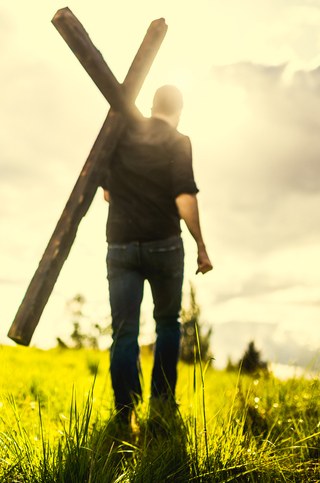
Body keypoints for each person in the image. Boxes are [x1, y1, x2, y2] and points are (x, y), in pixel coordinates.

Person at [101, 85, 213, 423]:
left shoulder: (119, 136)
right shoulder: (178, 141)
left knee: (124, 331)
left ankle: (125, 412)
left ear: (151, 106)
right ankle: (162, 404)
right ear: (178, 110)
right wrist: (201, 247)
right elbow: (184, 197)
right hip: (164, 244)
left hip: (120, 245)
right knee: (167, 324)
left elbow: (107, 194)